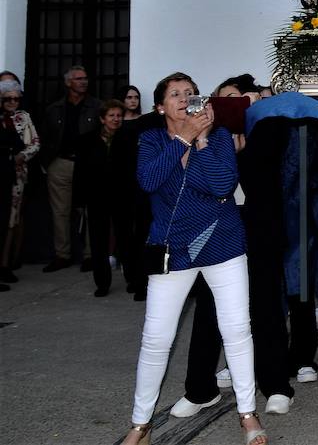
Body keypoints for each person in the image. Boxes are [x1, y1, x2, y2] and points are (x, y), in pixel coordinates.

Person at [121, 73, 265, 445]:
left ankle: (248, 415)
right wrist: (183, 138)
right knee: (156, 339)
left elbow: (220, 185)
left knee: (236, 331)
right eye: (176, 94)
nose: (185, 98)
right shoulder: (151, 140)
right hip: (174, 249)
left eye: (190, 92)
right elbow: (150, 180)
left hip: (223, 244)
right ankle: (140, 425)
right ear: (160, 107)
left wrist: (199, 140)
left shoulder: (216, 137)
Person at [41, 64, 101, 272]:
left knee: (89, 210)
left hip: (87, 163)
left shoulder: (96, 106)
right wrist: (47, 162)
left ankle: (90, 255)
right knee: (60, 211)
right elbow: (46, 137)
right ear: (68, 82)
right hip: (61, 163)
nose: (83, 82)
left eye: (85, 78)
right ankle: (62, 255)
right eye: (78, 78)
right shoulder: (54, 109)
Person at [74, 99, 124, 296]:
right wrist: (79, 200)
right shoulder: (87, 141)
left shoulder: (127, 137)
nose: (116, 119)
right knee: (98, 241)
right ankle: (102, 283)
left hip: (121, 196)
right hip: (96, 197)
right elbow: (80, 173)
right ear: (102, 118)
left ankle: (134, 280)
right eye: (111, 115)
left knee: (126, 237)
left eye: (119, 115)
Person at [1, 78, 41, 285]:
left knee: (11, 220)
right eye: (8, 99)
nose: (12, 102)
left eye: (16, 99)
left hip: (17, 175)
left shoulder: (24, 117)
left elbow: (35, 143)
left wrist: (22, 156)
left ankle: (6, 264)